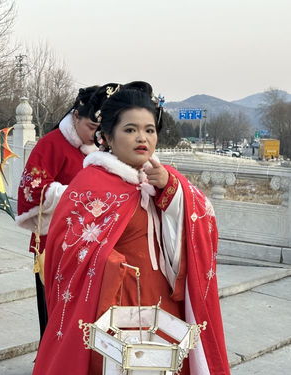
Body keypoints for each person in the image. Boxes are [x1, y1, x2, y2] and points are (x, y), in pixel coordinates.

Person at [33, 82, 230, 374]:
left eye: (149, 130)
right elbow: (67, 254)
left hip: (164, 307)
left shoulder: (163, 178)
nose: (142, 138)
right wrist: (111, 265)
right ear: (107, 136)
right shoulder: (90, 187)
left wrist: (171, 191)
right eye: (130, 129)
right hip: (112, 306)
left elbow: (204, 221)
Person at [16, 85, 119, 338]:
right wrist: (77, 195)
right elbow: (31, 188)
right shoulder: (51, 144)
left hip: (91, 243)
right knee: (56, 313)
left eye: (101, 131)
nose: (96, 137)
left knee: (83, 314)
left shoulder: (100, 149)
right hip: (55, 240)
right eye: (91, 128)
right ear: (75, 116)